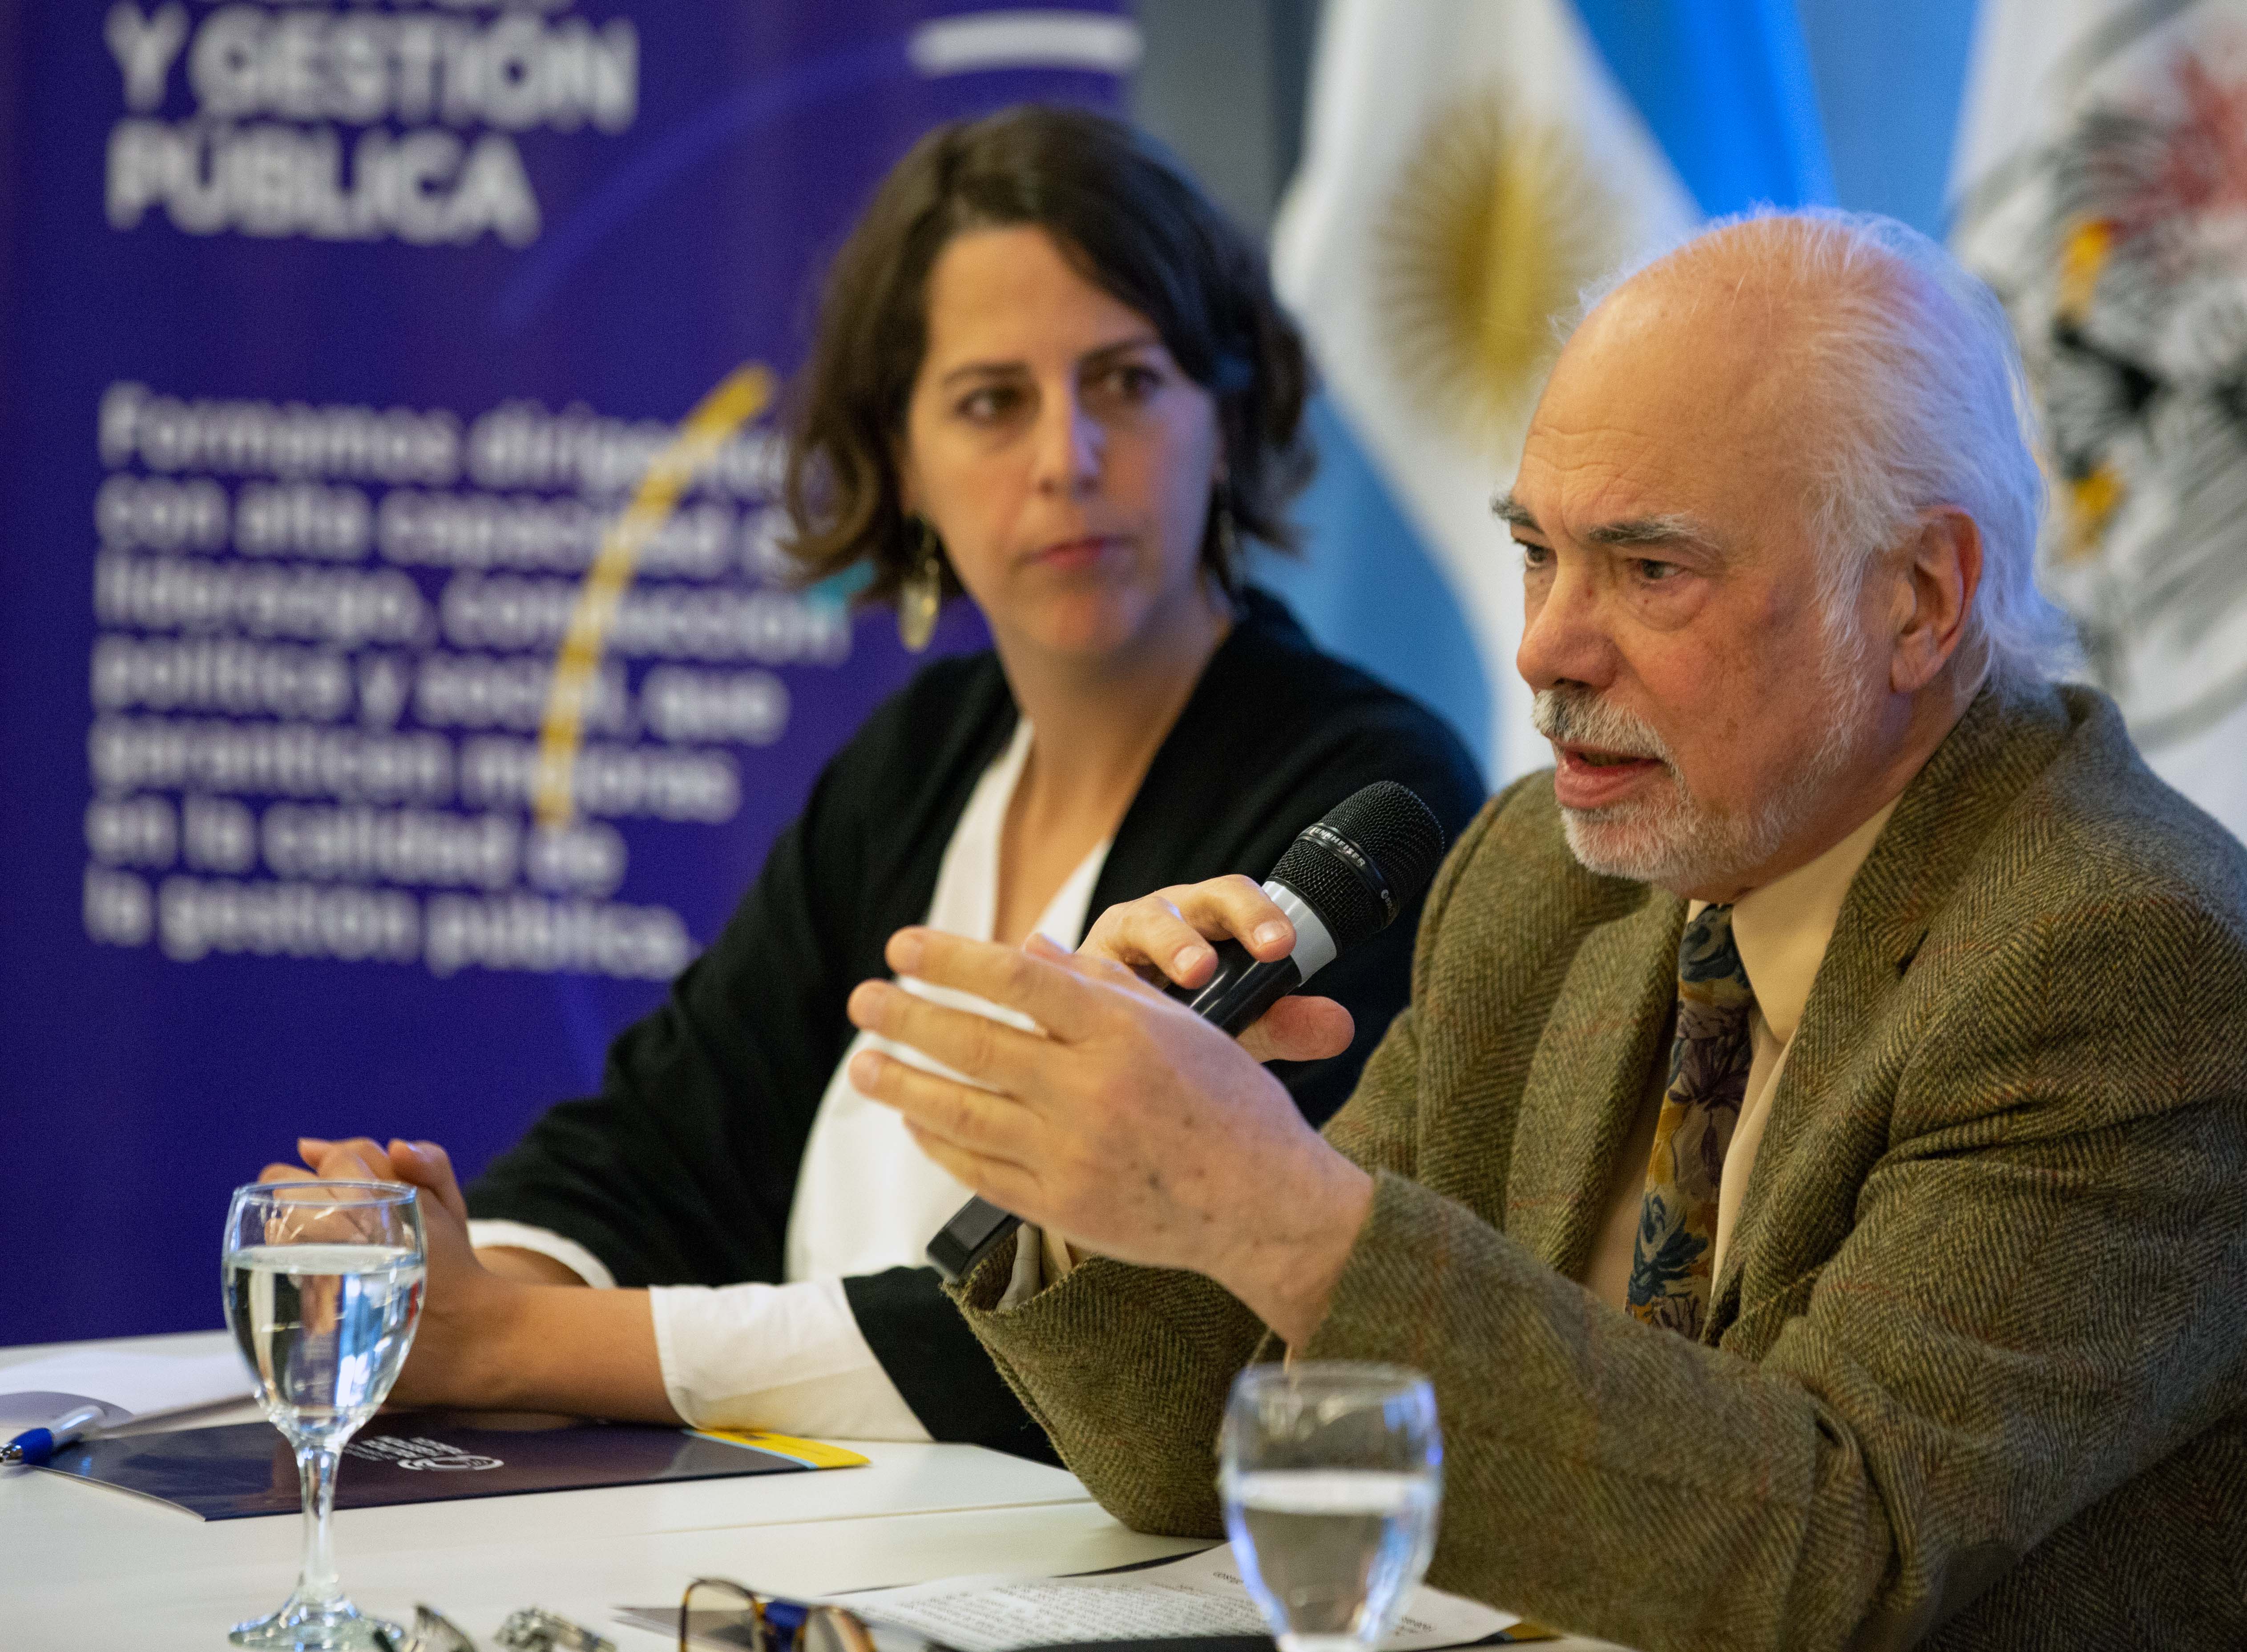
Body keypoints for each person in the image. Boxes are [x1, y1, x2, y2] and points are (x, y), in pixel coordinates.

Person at [843, 209, 2247, 1647]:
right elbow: (1190, 1452)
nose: (1548, 646)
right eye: (1537, 551)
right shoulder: (1552, 880)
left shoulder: (2119, 961)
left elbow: (1824, 1563)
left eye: (1649, 569)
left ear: (1917, 598)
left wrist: (1281, 1207)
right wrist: (1140, 1182)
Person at [264, 106, 1482, 1459]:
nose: (1064, 457)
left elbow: (1095, 1333)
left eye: (1127, 381)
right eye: (989, 402)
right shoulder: (920, 755)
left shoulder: (1362, 797)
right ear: (903, 464)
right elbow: (667, 1143)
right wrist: (442, 1281)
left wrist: (504, 1344)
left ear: (1227, 410)